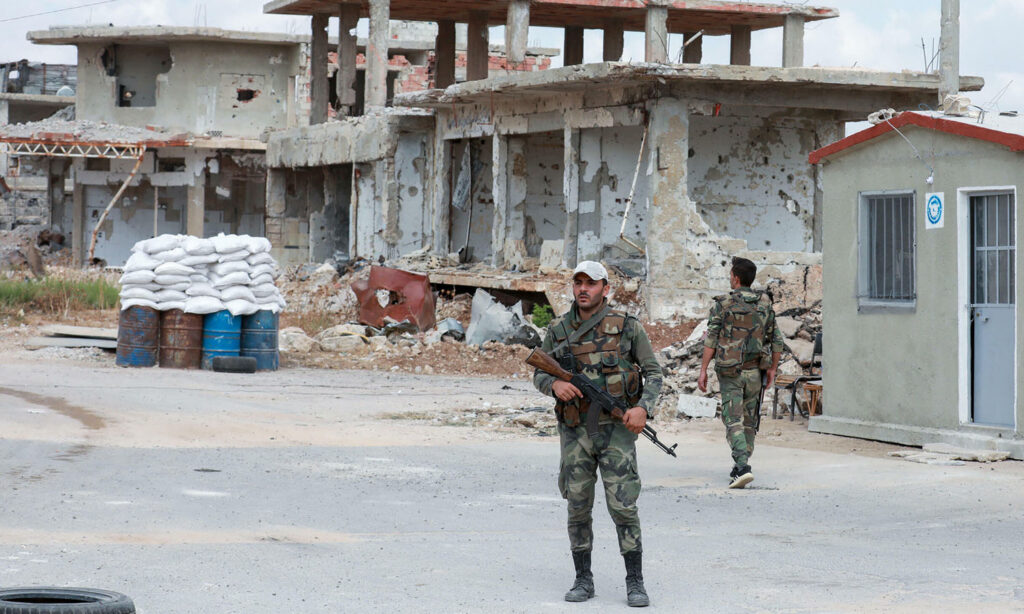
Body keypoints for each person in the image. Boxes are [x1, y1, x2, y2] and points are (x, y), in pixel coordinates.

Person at [532, 261, 663, 607]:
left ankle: (635, 581)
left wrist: (643, 408)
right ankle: (583, 578)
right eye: (578, 282)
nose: (583, 289)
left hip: (617, 432)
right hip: (575, 431)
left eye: (591, 283)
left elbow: (654, 373)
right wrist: (555, 383)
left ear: (606, 288)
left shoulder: (627, 327)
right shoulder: (558, 329)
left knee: (623, 506)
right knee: (577, 505)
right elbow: (537, 372)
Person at [697, 256, 783, 489]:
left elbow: (711, 340)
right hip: (755, 371)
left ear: (735, 278)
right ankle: (740, 463)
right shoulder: (764, 303)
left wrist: (703, 370)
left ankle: (743, 467)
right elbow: (776, 340)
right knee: (749, 420)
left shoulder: (723, 303)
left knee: (733, 419)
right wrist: (773, 369)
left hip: (730, 373)